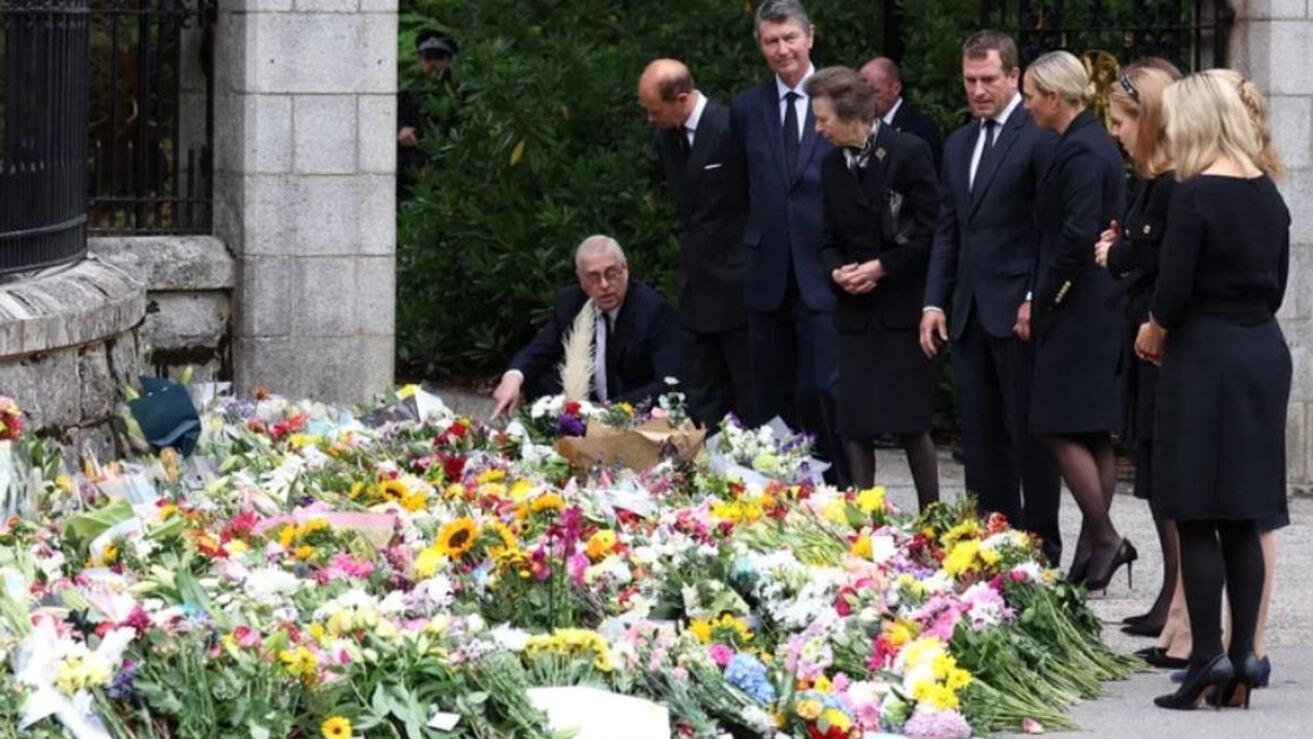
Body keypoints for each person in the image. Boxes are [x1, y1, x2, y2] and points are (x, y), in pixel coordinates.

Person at [1135, 71, 1290, 711]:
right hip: (1261, 350)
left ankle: (1205, 658)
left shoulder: (1194, 196)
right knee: (1246, 509)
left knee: (1195, 509)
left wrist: (1153, 328)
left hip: (1204, 355)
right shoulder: (1269, 195)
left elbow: (1173, 289)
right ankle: (1246, 657)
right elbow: (1277, 286)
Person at [919, 31, 1062, 562]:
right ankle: (992, 538)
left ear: (1014, 77)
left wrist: (1033, 295)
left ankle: (1042, 544)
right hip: (970, 311)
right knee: (979, 435)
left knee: (1030, 435)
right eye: (969, 80)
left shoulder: (1038, 137)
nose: (977, 90)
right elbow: (948, 229)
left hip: (1020, 310)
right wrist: (935, 302)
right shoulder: (959, 144)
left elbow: (1049, 228)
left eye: (987, 80)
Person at [808, 66, 941, 507]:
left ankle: (932, 520)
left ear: (850, 116)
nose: (817, 128)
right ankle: (863, 520)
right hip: (855, 314)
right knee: (855, 424)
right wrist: (836, 272)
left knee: (910, 422)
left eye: (823, 119)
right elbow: (826, 238)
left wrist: (882, 267)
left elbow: (931, 230)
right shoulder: (830, 165)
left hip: (900, 306)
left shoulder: (907, 151)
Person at [1022, 50, 1131, 591]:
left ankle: (1105, 537)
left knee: (1055, 422)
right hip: (1088, 302)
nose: (1026, 106)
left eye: (1031, 96)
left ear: (1055, 98)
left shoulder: (1084, 150)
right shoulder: (1081, 143)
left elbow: (1075, 236)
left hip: (1082, 304)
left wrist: (1046, 300)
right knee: (1089, 429)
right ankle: (1095, 550)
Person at [730, 0, 848, 486]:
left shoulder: (843, 95)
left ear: (810, 37)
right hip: (767, 271)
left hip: (824, 269)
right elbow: (739, 189)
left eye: (789, 39)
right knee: (770, 392)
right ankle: (778, 494)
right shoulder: (746, 108)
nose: (782, 50)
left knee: (824, 388)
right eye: (771, 41)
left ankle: (843, 491)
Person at [1093, 58, 1182, 635]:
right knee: (1152, 474)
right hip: (1138, 332)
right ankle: (1171, 599)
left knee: (1169, 478)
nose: (1115, 134)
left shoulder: (1175, 184)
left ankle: (1178, 602)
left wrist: (1116, 255)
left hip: (1161, 342)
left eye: (1122, 120)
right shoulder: (1146, 180)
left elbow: (1163, 261)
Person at [637, 59, 752, 427]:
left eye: (655, 110)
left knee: (747, 389)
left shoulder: (730, 127)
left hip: (737, 283)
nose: (650, 119)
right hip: (696, 281)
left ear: (682, 99)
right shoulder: (666, 136)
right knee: (701, 391)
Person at [490, 236, 684, 415]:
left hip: (632, 412)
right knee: (539, 379)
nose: (605, 284)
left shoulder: (654, 310)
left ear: (625, 269)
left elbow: (666, 383)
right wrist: (513, 377)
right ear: (580, 279)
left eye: (611, 273)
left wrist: (607, 412)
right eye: (593, 277)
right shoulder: (570, 302)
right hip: (584, 409)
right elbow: (540, 350)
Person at [397, 31, 459, 197]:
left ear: (449, 61)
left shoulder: (461, 95)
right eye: (427, 58)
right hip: (408, 173)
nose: (432, 63)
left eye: (438, 57)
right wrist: (401, 130)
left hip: (447, 171)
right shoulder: (407, 93)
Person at [859, 57, 944, 170]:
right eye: (863, 93)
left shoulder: (920, 127)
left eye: (875, 92)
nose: (868, 99)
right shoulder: (862, 125)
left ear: (896, 88)